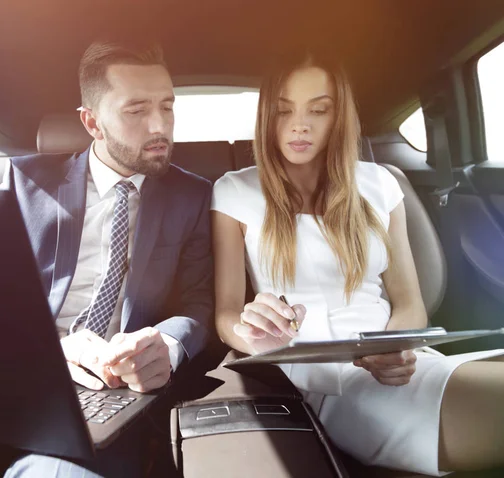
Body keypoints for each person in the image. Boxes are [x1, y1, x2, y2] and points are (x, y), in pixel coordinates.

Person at [211, 52, 504, 476]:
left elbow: (409, 303)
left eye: (319, 109)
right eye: (284, 110)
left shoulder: (380, 183)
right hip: (321, 380)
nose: (300, 125)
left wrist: (397, 345)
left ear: (339, 116)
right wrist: (252, 331)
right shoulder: (235, 190)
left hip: (404, 363)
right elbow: (224, 313)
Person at [3, 40, 214, 477]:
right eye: (136, 111)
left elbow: (200, 304)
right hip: (24, 376)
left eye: (167, 107)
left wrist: (167, 346)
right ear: (92, 122)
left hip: (118, 389)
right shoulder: (24, 184)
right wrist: (47, 350)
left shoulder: (193, 196)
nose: (160, 126)